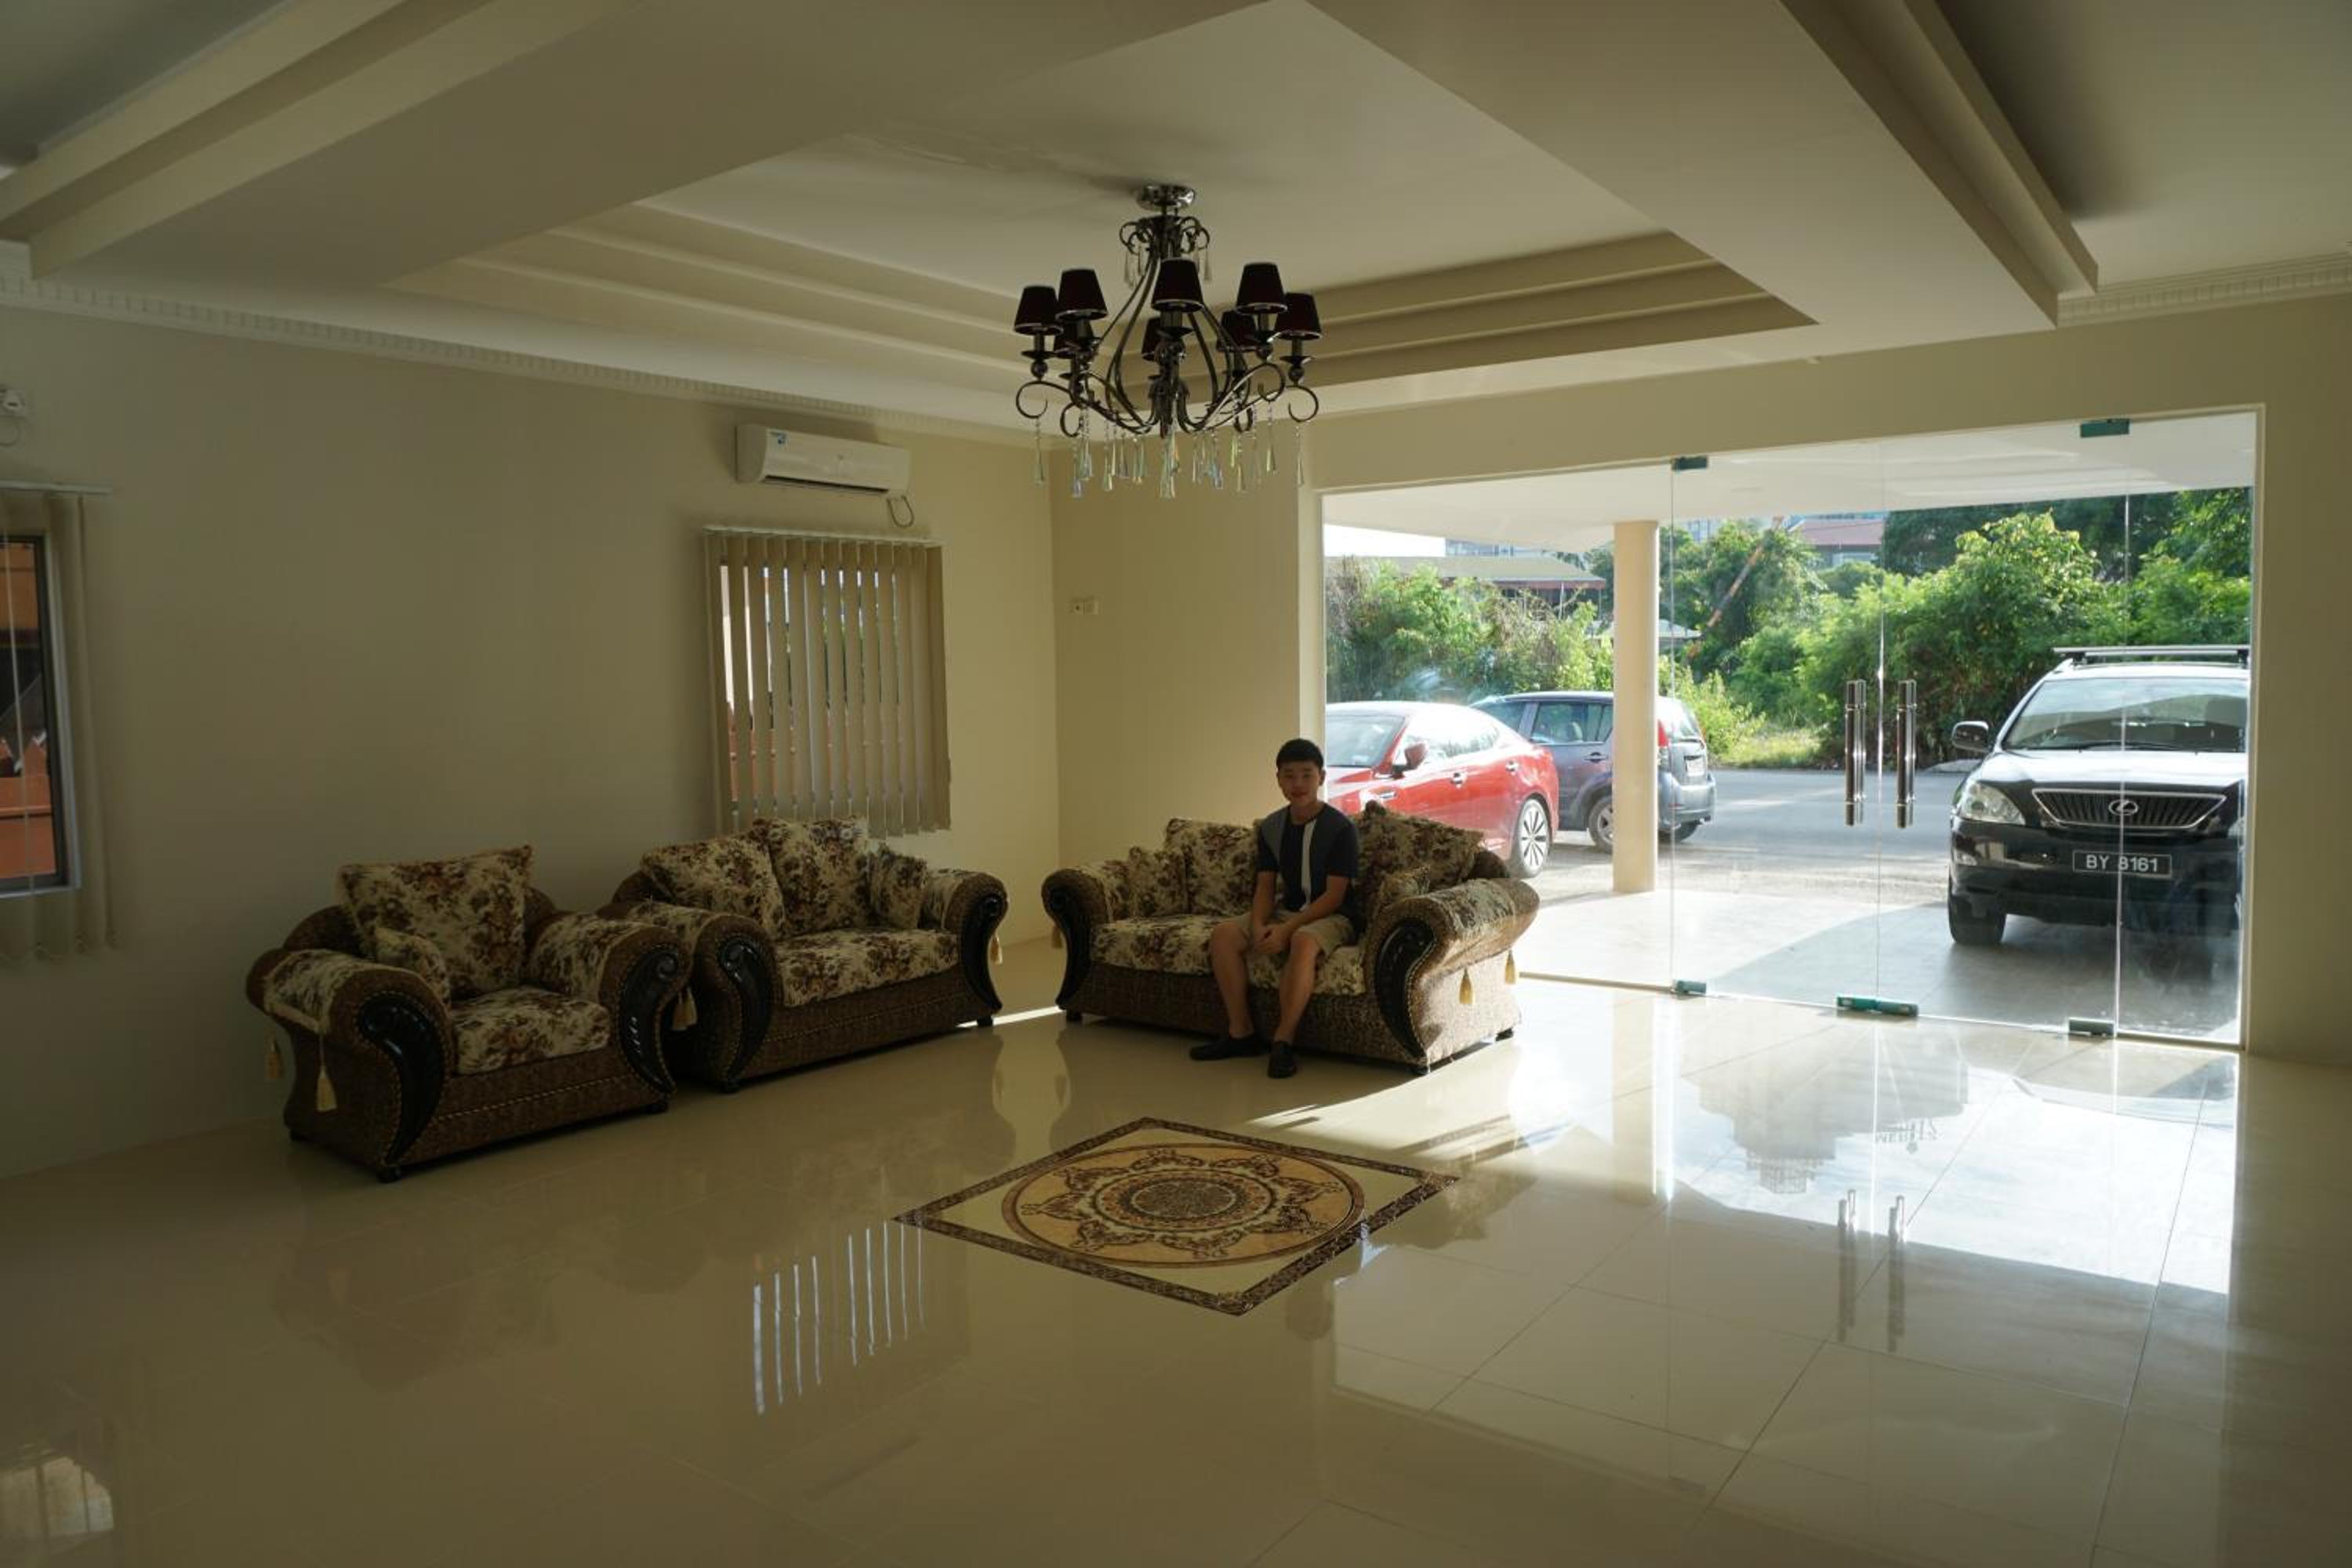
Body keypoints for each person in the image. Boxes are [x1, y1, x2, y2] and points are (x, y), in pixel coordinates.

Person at [1192, 738, 1359, 1080]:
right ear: (1278, 779)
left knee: (1303, 942)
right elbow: (1266, 886)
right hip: (1288, 910)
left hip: (1332, 915)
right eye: (1289, 775)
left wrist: (1286, 930)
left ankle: (1283, 1042)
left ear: (1322, 777)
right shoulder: (1271, 827)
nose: (1298, 783)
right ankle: (1241, 1034)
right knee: (1224, 935)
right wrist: (1257, 924)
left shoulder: (1341, 829)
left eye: (1307, 775)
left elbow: (1334, 896)